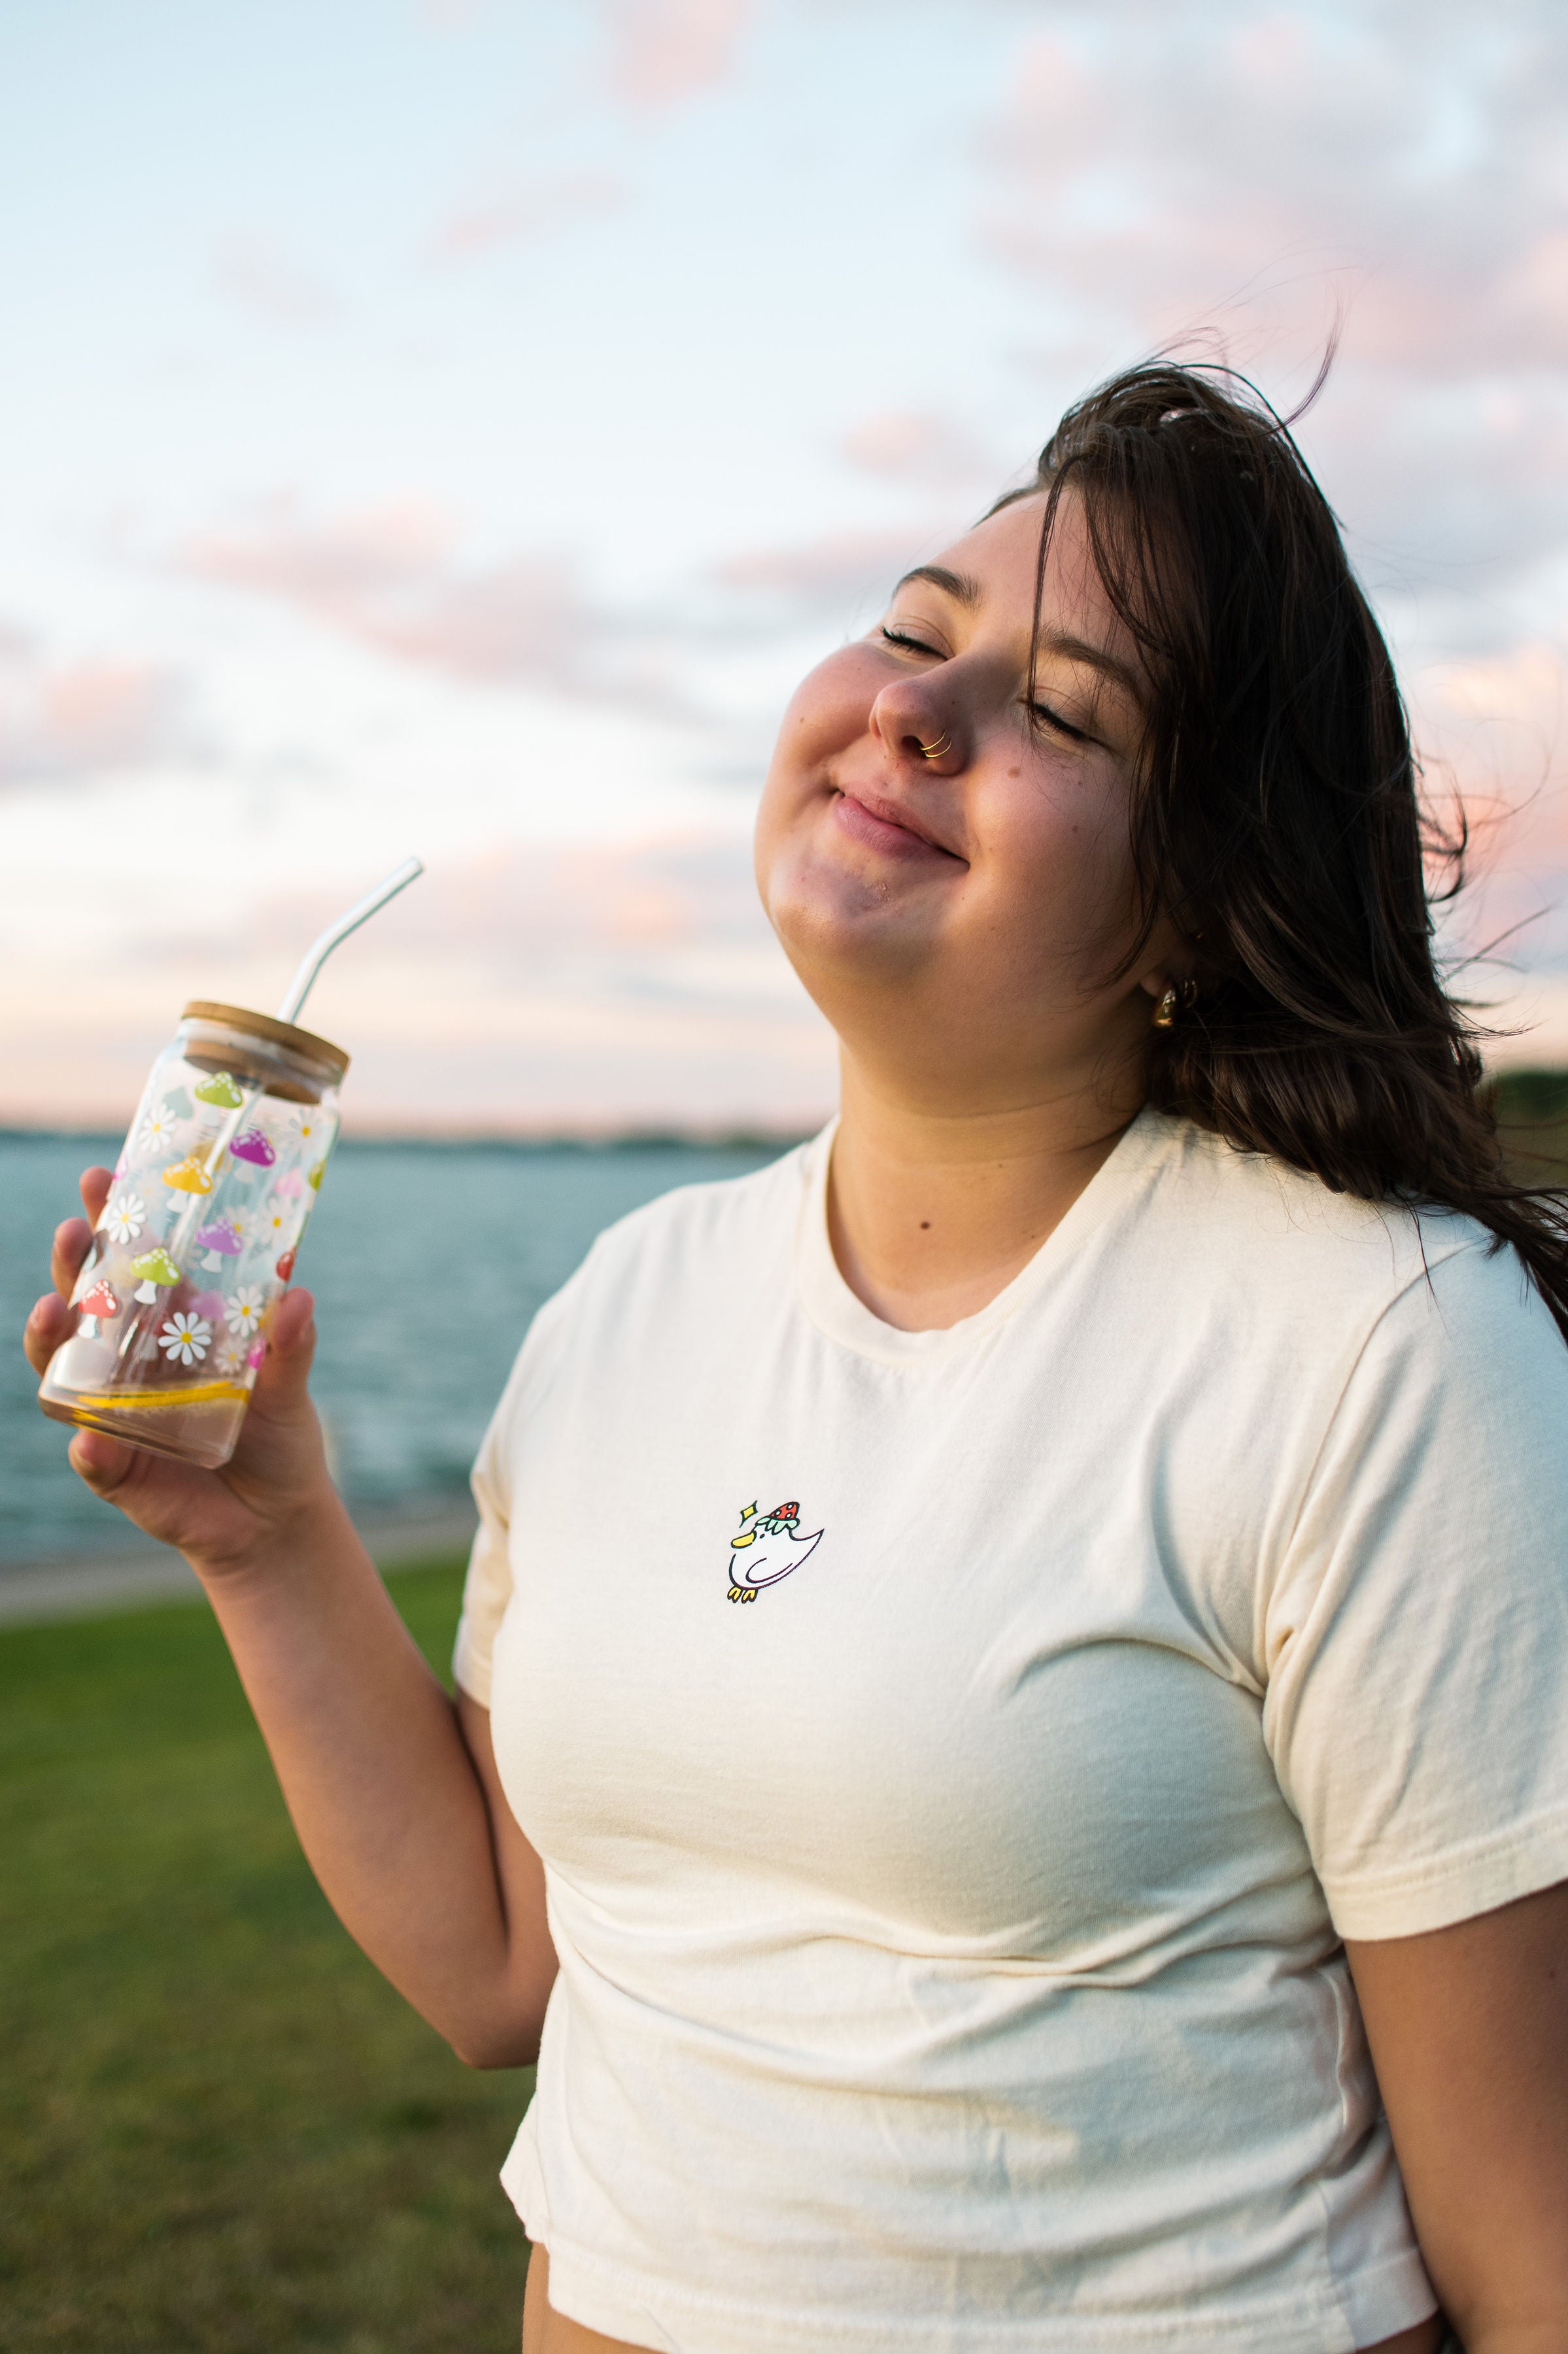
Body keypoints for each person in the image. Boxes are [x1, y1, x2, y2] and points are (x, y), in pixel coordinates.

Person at [24, 362, 1568, 2354]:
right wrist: (267, 1537)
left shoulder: (1380, 1346)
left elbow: (1533, 2251)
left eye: (1067, 711)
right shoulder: (628, 1300)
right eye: (918, 632)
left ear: (1195, 898)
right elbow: (504, 1965)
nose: (922, 705)